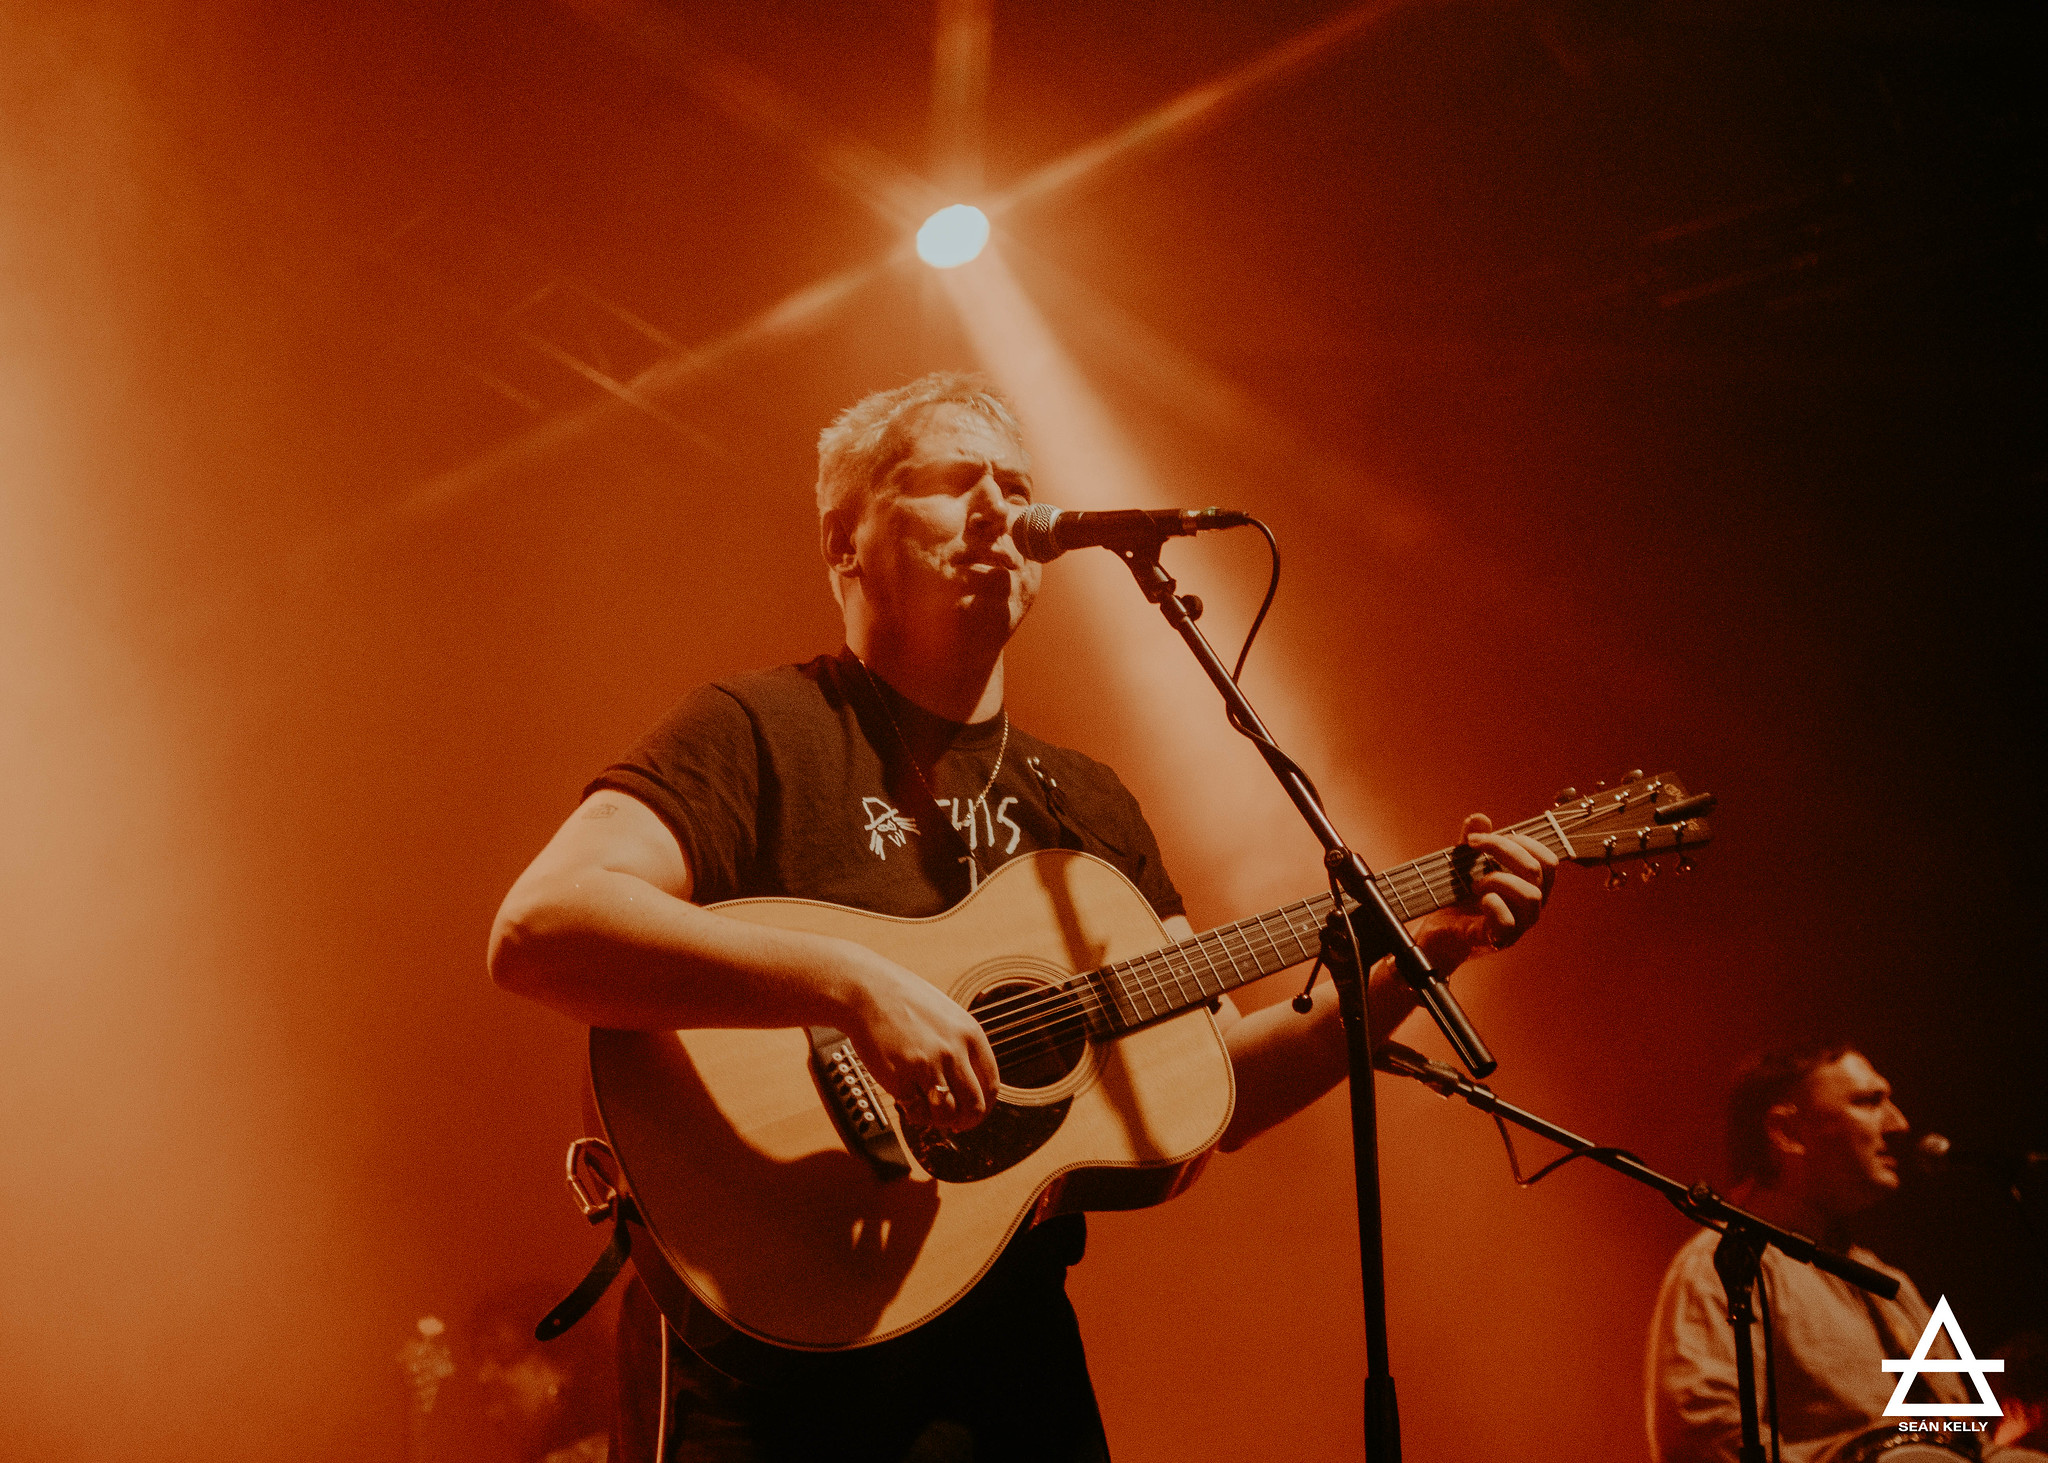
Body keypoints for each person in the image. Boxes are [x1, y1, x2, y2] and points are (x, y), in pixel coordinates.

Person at [488, 372, 1557, 1462]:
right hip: (766, 1361)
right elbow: (543, 926)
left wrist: (1420, 958)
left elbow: (1213, 1083)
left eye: (1017, 484)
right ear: (844, 542)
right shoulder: (759, 730)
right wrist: (853, 987)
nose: (999, 509)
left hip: (1004, 1359)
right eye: (952, 483)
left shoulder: (1084, 805)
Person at [1645, 1041, 2038, 1463]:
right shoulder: (1726, 1262)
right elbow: (1702, 1438)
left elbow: (1963, 1437)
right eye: (1869, 1102)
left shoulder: (1892, 1283)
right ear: (1787, 1133)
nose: (1899, 1123)